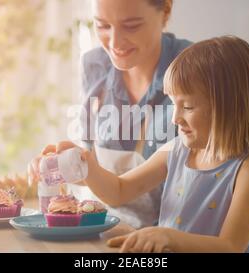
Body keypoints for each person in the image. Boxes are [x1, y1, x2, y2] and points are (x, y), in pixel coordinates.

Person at [42, 36, 249, 252]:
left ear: (229, 107)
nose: (175, 118)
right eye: (174, 104)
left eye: (189, 107)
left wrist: (169, 237)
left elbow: (230, 246)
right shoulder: (178, 149)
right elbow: (119, 191)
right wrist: (88, 165)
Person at [30, 0, 192, 229]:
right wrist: (60, 164)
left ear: (165, 11)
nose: (115, 43)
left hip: (171, 241)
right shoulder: (94, 66)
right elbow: (91, 167)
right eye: (102, 25)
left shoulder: (198, 70)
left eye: (132, 25)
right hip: (104, 233)